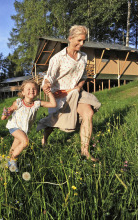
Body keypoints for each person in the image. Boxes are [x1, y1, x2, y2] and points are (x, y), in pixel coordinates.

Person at [37, 25, 101, 162]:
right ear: (70, 39)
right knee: (54, 123)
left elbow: (84, 76)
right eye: (79, 40)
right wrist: (46, 84)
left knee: (88, 113)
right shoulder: (58, 58)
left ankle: (85, 151)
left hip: (77, 92)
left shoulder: (83, 57)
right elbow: (50, 76)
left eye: (84, 41)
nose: (82, 44)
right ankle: (45, 138)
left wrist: (78, 87)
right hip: (60, 95)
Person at [1, 79, 56, 172]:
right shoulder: (18, 102)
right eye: (29, 89)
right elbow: (6, 114)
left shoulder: (37, 103)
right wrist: (6, 113)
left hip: (24, 129)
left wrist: (49, 92)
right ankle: (12, 161)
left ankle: (6, 165)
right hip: (14, 126)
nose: (32, 90)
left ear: (37, 91)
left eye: (34, 88)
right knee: (25, 142)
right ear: (23, 92)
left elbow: (53, 104)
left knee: (14, 147)